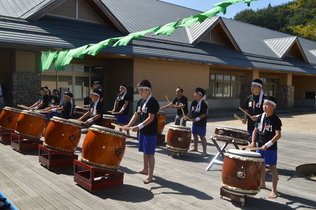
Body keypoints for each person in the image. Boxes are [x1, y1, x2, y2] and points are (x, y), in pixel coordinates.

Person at [126, 79, 159, 183]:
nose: (140, 93)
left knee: (150, 153)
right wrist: (129, 125)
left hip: (150, 131)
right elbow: (136, 114)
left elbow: (151, 118)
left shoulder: (153, 102)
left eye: (142, 90)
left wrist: (138, 127)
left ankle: (150, 175)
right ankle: (145, 169)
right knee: (145, 151)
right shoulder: (140, 101)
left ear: (148, 90)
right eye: (139, 90)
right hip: (143, 131)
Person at [251, 96, 282, 199]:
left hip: (271, 148)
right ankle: (262, 184)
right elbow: (255, 130)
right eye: (264, 104)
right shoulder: (260, 117)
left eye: (267, 104)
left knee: (272, 167)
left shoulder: (275, 119)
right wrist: (253, 142)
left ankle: (274, 190)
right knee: (261, 166)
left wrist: (267, 144)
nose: (264, 106)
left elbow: (278, 135)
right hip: (260, 145)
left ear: (274, 107)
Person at [185, 87, 208, 156]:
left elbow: (204, 114)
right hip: (194, 122)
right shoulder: (193, 102)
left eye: (197, 94)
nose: (195, 95)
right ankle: (195, 147)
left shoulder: (204, 104)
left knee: (202, 136)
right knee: (194, 135)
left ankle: (204, 151)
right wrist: (187, 116)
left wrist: (196, 119)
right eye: (194, 93)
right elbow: (191, 111)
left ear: (201, 95)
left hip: (201, 123)